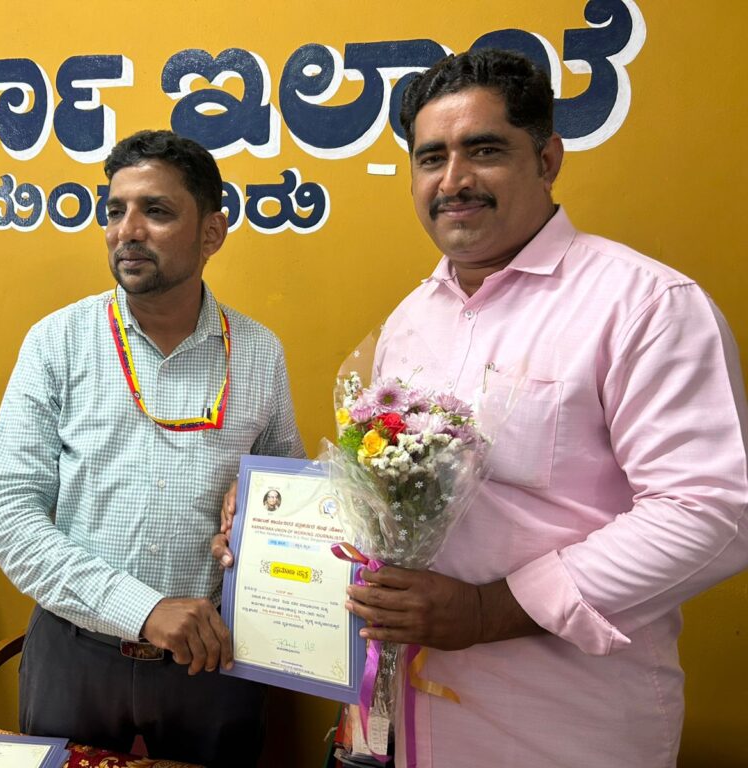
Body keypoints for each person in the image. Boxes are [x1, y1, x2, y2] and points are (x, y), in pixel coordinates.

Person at [211, 48, 748, 767]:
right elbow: (390, 499)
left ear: (547, 159)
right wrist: (274, 526)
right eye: (431, 158)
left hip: (564, 730)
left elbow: (712, 512)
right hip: (404, 721)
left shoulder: (645, 305)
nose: (453, 180)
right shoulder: (410, 321)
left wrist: (491, 610)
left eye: (484, 150)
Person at [0, 129, 304, 767]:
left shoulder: (258, 352)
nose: (127, 231)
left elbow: (288, 500)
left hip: (212, 660)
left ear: (211, 233)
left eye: (155, 211)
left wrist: (260, 509)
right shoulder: (57, 342)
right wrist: (143, 609)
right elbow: (11, 517)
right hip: (75, 652)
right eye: (115, 210)